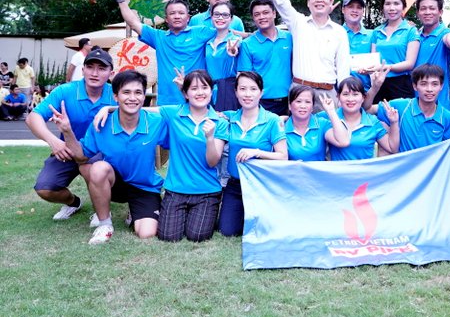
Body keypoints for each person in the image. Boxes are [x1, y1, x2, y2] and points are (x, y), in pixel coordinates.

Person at [50, 70, 167, 244]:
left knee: (147, 233)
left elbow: (180, 124)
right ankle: (104, 224)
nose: (132, 98)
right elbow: (81, 157)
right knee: (97, 168)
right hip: (115, 184)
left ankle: (134, 212)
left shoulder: (156, 121)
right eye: (126, 92)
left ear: (144, 97)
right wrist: (67, 131)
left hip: (144, 186)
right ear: (115, 96)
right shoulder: (102, 123)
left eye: (138, 92)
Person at [26, 48, 116, 220]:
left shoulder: (116, 94)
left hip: (101, 154)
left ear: (111, 73)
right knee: (44, 188)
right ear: (83, 70)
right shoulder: (65, 91)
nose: (95, 73)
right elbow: (33, 118)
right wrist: (54, 142)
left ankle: (102, 211)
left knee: (90, 168)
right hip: (68, 150)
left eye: (101, 68)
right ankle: (74, 203)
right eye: (90, 67)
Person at [268, 0, 350, 101]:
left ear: (331, 1)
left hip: (328, 94)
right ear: (308, 2)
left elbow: (343, 68)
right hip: (299, 91)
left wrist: (343, 96)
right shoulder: (298, 23)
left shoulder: (339, 31)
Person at [112, 0, 215, 105]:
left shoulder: (201, 32)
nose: (177, 16)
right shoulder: (158, 37)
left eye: (181, 13)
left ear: (188, 17)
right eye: (172, 13)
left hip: (197, 100)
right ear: (166, 19)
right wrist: (121, 1)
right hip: (167, 102)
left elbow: (224, 30)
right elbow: (134, 23)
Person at [157, 70, 230, 242]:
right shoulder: (173, 114)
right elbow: (140, 110)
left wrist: (210, 138)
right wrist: (108, 108)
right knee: (168, 236)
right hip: (176, 189)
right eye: (194, 88)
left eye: (204, 87)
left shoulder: (219, 122)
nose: (200, 92)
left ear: (211, 91)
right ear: (185, 93)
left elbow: (212, 162)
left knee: (197, 236)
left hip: (207, 191)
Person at [365, 64, 450, 171]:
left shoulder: (447, 117)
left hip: (432, 174)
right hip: (403, 172)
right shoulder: (401, 106)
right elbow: (367, 108)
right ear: (415, 86)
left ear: (441, 86)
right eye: (423, 84)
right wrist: (375, 87)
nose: (429, 89)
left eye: (434, 84)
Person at [218, 71, 288, 237]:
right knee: (227, 231)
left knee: (262, 229)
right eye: (242, 89)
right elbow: (200, 109)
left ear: (261, 92)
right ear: (236, 92)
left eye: (253, 89)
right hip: (235, 184)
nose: (247, 94)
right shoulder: (229, 118)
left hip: (260, 184)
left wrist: (257, 152)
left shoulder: (272, 120)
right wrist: (183, 91)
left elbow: (283, 156)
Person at [237, 0, 293, 116]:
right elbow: (245, 77)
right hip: (262, 102)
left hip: (290, 100)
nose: (262, 17)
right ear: (253, 18)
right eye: (257, 14)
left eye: (265, 12)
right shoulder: (247, 44)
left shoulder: (289, 38)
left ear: (274, 13)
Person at [325, 77, 399, 161]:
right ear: (338, 96)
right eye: (345, 94)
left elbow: (392, 148)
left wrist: (394, 122)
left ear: (363, 97)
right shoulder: (328, 117)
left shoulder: (372, 122)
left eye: (355, 94)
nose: (350, 99)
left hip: (364, 169)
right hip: (337, 169)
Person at [414, 0, 450, 110]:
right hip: (414, 102)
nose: (427, 12)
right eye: (423, 9)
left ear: (440, 12)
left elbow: (449, 39)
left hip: (439, 105)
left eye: (432, 8)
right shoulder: (414, 37)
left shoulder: (444, 33)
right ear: (418, 13)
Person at [369, 0, 420, 102]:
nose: (392, 8)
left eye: (396, 3)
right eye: (387, 4)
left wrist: (387, 67)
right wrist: (368, 69)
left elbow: (410, 63)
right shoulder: (376, 32)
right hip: (379, 84)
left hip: (401, 85)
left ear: (403, 7)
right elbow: (373, 60)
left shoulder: (411, 31)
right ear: (383, 7)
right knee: (378, 113)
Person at [285, 85, 350, 161]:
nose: (303, 106)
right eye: (298, 101)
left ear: (312, 107)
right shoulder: (282, 127)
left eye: (308, 102)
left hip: (318, 169)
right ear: (289, 106)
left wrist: (331, 111)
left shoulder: (321, 124)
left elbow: (343, 141)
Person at [205, 1, 241, 112]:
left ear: (231, 19)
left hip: (229, 91)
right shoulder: (207, 43)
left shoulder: (236, 40)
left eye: (225, 15)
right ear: (211, 17)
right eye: (216, 14)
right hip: (210, 90)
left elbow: (235, 48)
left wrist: (233, 50)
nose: (220, 18)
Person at [341, 0, 373, 91]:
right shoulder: (335, 33)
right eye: (351, 6)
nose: (355, 10)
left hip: (366, 91)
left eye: (359, 7)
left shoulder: (372, 35)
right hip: (340, 91)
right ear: (343, 10)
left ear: (363, 11)